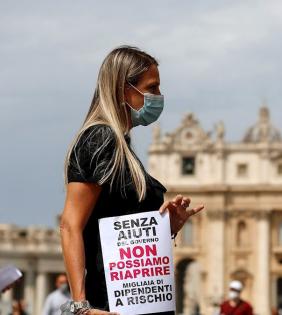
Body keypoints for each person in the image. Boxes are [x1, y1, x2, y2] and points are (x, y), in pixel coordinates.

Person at [59, 46, 204, 315]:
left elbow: (121, 224)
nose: (159, 96)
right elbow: (70, 225)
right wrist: (81, 307)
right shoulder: (98, 139)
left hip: (140, 302)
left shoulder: (120, 144)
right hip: (113, 304)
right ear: (123, 89)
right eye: (153, 87)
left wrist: (164, 226)